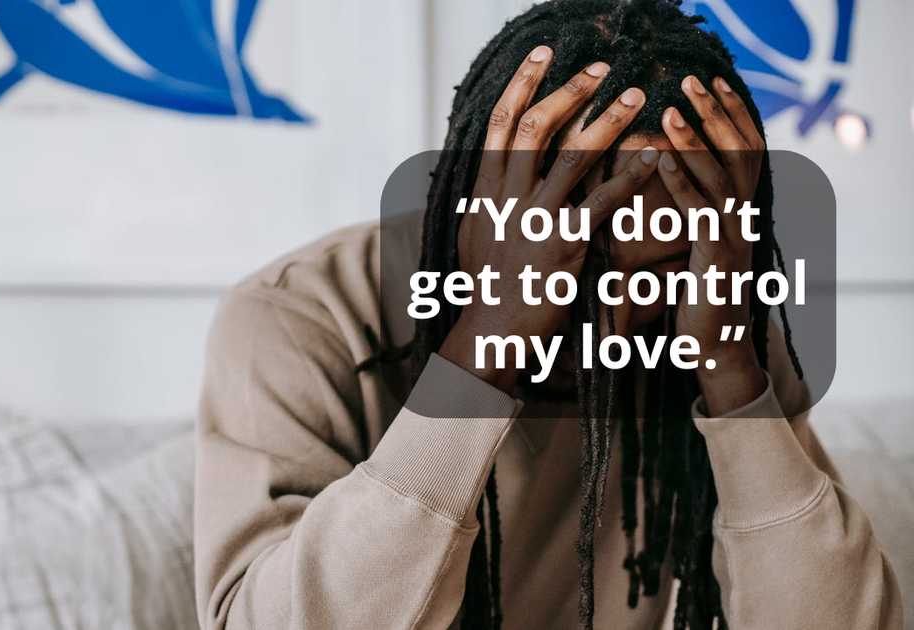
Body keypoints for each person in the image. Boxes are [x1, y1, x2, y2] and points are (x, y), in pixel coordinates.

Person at [193, 1, 903, 628]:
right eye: (581, 266)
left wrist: (729, 373)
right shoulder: (298, 319)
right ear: (468, 202)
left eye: (658, 271)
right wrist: (482, 352)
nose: (618, 317)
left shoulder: (707, 324)